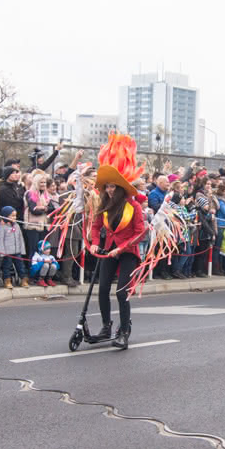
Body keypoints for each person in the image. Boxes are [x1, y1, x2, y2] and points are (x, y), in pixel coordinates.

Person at [85, 134, 147, 349]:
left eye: (113, 187)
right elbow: (95, 226)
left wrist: (121, 248)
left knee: (121, 291)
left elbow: (140, 232)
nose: (110, 190)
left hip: (128, 253)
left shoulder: (134, 207)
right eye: (107, 187)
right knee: (102, 289)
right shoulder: (104, 204)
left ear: (121, 187)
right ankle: (106, 326)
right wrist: (94, 242)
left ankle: (124, 330)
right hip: (108, 251)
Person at [0, 206, 29, 288]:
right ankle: (7, 281)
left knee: (20, 266)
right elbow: (0, 240)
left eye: (15, 215)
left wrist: (22, 250)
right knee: (7, 266)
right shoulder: (2, 226)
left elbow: (20, 238)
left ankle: (23, 280)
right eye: (12, 216)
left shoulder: (16, 225)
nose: (15, 217)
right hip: (7, 252)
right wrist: (2, 252)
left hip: (17, 251)